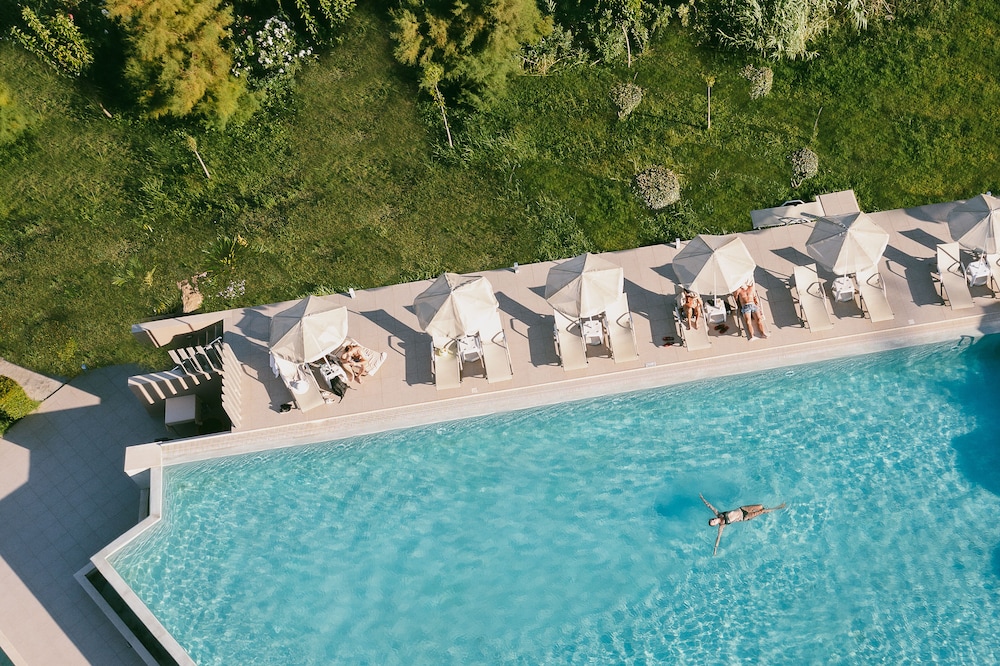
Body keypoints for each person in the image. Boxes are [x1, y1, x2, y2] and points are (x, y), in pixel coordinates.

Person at [700, 494, 786, 556]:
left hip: (742, 509)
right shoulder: (722, 526)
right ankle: (778, 507)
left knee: (760, 506)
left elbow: (710, 506)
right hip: (744, 517)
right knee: (762, 511)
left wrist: (702, 499)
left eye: (712, 520)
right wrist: (715, 549)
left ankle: (770, 510)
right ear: (715, 525)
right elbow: (718, 538)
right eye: (713, 523)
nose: (713, 520)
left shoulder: (718, 514)